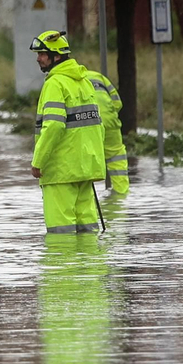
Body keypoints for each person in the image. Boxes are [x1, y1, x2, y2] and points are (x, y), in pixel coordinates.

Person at [29, 31, 106, 235]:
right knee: (87, 230)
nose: (38, 58)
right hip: (85, 168)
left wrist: (38, 160)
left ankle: (63, 268)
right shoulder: (83, 81)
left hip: (60, 171)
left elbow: (53, 126)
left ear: (57, 56)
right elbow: (98, 125)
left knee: (60, 234)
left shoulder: (55, 83)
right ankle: (91, 267)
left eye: (42, 54)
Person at [83, 68, 129, 196]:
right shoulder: (99, 77)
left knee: (86, 159)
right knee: (116, 157)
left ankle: (88, 198)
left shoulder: (67, 80)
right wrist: (109, 115)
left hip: (89, 125)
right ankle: (121, 194)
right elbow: (117, 103)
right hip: (111, 122)